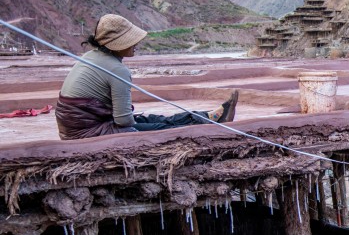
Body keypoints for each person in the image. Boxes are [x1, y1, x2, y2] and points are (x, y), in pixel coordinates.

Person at [55, 14, 238, 140]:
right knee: (159, 128)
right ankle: (205, 124)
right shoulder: (118, 70)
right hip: (87, 132)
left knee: (150, 119)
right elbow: (124, 121)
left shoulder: (90, 56)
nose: (136, 44)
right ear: (117, 44)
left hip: (77, 127)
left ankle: (206, 116)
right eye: (131, 40)